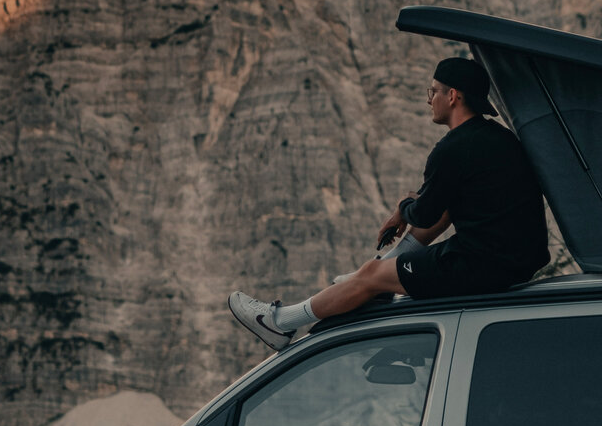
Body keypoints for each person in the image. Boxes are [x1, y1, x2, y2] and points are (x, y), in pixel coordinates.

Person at [228, 57, 549, 348]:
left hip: (482, 265)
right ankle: (384, 273)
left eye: (433, 91)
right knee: (433, 221)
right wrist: (411, 207)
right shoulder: (499, 138)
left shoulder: (452, 149)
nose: (428, 98)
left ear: (452, 96)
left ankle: (280, 323)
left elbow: (423, 215)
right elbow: (444, 208)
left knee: (369, 275)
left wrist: (402, 208)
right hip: (516, 259)